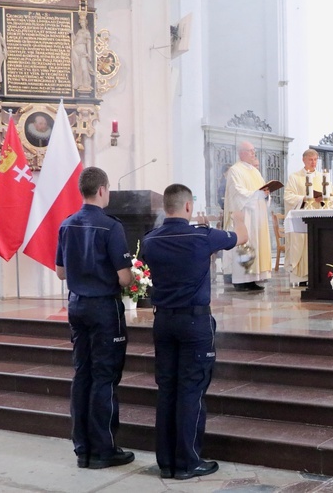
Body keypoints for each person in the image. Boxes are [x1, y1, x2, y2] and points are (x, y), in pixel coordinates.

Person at [142, 184, 246, 480]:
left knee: (167, 390)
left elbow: (176, 264)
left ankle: (167, 462)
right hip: (194, 323)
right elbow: (242, 238)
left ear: (166, 207)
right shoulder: (202, 236)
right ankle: (188, 462)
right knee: (191, 390)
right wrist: (237, 218)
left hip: (163, 322)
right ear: (188, 207)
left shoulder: (150, 240)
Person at [55, 167, 135, 470]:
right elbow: (124, 278)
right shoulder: (111, 226)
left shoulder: (66, 224)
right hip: (104, 309)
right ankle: (104, 449)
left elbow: (61, 272)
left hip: (76, 306)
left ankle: (83, 449)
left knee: (83, 374)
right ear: (102, 190)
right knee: (105, 377)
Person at [222, 141, 272, 291]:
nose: (253, 153)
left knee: (255, 246)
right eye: (250, 151)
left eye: (253, 150)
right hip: (244, 217)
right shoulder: (235, 170)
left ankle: (253, 279)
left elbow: (262, 190)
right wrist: (258, 195)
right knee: (245, 245)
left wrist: (265, 195)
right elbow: (237, 192)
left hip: (257, 216)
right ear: (242, 153)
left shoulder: (255, 172)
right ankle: (240, 280)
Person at [283, 149, 333, 286]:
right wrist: (304, 198)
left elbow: (332, 196)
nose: (313, 162)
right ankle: (302, 277)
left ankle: (318, 275)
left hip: (318, 217)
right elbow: (288, 196)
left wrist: (323, 200)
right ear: (304, 160)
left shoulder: (323, 177)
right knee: (302, 245)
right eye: (310, 160)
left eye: (315, 160)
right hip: (302, 217)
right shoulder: (295, 177)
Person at [72, 16, 93, 90]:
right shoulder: (79, 31)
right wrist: (72, 34)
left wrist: (89, 54)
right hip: (75, 49)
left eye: (82, 22)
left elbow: (89, 44)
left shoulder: (87, 32)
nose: (81, 24)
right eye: (80, 22)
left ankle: (86, 84)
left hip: (82, 51)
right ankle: (79, 84)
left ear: (85, 22)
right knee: (77, 68)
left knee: (84, 69)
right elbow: (75, 40)